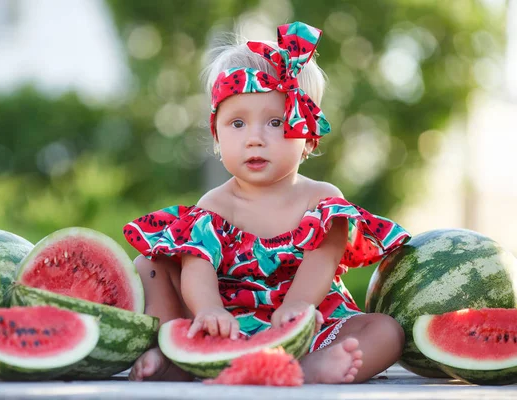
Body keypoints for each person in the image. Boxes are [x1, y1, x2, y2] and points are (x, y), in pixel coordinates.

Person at [124, 21, 411, 384]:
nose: (254, 139)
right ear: (216, 135)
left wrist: (299, 305)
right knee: (149, 264)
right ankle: (172, 356)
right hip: (228, 330)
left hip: (312, 328)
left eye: (276, 122)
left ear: (308, 137)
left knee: (386, 331)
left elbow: (322, 259)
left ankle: (308, 369)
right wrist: (210, 310)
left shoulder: (322, 200)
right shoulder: (214, 206)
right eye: (237, 123)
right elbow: (198, 270)